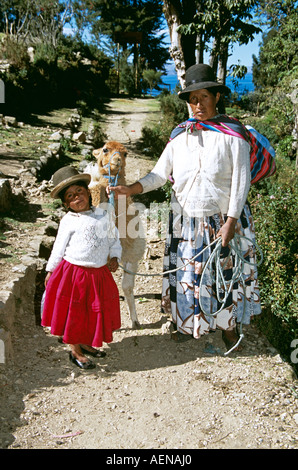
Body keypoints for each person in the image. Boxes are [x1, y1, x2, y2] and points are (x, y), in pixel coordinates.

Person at [107, 64, 262, 351]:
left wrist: (231, 220)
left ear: (216, 97)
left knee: (221, 274)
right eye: (193, 99)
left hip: (221, 219)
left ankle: (228, 328)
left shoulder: (233, 135)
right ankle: (186, 321)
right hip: (185, 220)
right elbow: (158, 174)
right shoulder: (180, 136)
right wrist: (131, 188)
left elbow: (241, 182)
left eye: (204, 96)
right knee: (185, 274)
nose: (198, 104)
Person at [41, 166, 122, 369]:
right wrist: (50, 271)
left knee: (93, 311)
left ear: (88, 192)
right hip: (74, 274)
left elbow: (114, 240)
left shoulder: (103, 216)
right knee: (74, 312)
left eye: (79, 191)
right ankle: (75, 350)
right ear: (65, 203)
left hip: (99, 274)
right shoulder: (69, 221)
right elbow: (58, 249)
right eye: (70, 196)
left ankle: (86, 343)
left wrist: (115, 256)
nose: (76, 197)